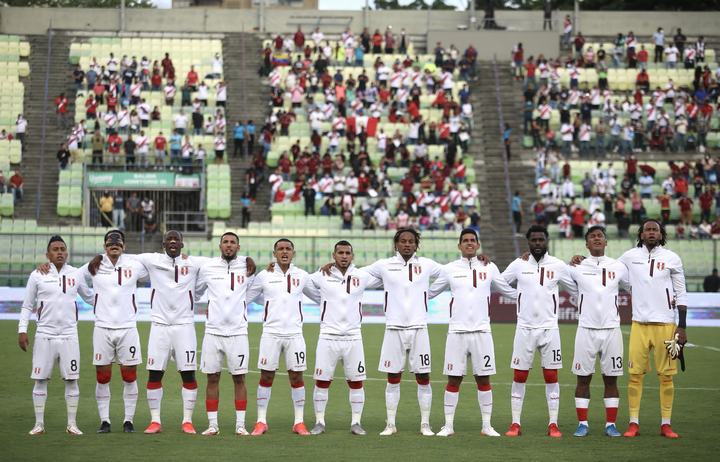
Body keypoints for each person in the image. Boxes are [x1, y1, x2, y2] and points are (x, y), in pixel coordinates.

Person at [428, 229, 517, 437]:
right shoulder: (449, 269)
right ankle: (448, 426)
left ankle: (486, 426)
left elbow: (508, 291)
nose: (469, 243)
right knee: (453, 379)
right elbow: (429, 293)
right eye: (465, 240)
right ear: (459, 246)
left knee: (483, 380)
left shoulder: (489, 267)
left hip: (482, 332)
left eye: (472, 240)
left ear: (477, 245)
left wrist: (534, 293)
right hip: (456, 332)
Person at [361, 228, 443, 436]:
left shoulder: (427, 265)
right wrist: (333, 268)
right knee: (392, 377)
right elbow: (357, 274)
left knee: (423, 376)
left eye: (411, 241)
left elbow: (451, 274)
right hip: (393, 329)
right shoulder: (384, 265)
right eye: (403, 241)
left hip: (419, 328)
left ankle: (425, 424)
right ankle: (390, 424)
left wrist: (429, 293)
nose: (407, 244)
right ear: (396, 244)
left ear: (416, 244)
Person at [501, 225, 576, 438]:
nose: (537, 243)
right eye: (533, 240)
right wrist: (518, 296)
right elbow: (498, 282)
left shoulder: (558, 265)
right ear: (528, 242)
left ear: (546, 241)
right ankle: (515, 423)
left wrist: (580, 263)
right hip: (524, 329)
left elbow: (576, 288)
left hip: (549, 329)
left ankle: (553, 424)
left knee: (551, 375)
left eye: (540, 239)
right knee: (519, 375)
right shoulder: (519, 264)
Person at [19, 236, 94, 435]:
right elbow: (27, 305)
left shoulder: (76, 274)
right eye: (55, 249)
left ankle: (72, 424)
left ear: (67, 252)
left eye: (62, 249)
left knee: (72, 380)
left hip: (70, 335)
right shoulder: (37, 275)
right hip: (44, 335)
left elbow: (90, 298)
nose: (59, 252)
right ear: (48, 254)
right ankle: (39, 424)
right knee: (40, 380)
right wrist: (22, 330)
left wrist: (114, 296)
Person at [305, 241, 381, 435]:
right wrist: (321, 300)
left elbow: (386, 277)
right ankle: (319, 422)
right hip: (327, 337)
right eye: (340, 253)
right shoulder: (322, 275)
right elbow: (303, 282)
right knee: (322, 381)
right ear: (334, 255)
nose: (344, 256)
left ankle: (356, 422)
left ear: (352, 256)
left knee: (356, 382)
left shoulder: (362, 275)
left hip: (353, 337)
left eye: (348, 253)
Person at [619, 219, 686, 438]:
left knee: (666, 377)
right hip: (639, 325)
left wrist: (682, 326)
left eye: (655, 230)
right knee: (635, 376)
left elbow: (681, 293)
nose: (651, 233)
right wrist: (582, 261)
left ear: (661, 234)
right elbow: (610, 270)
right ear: (641, 234)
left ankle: (666, 424)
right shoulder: (629, 256)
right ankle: (633, 423)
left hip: (666, 325)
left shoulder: (672, 258)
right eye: (647, 230)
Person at [81, 230, 149, 433]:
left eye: (118, 242)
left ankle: (128, 421)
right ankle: (105, 421)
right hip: (102, 328)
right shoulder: (95, 264)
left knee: (129, 376)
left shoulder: (134, 264)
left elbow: (158, 271)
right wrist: (93, 300)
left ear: (124, 246)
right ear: (104, 246)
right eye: (110, 243)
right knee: (102, 376)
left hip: (128, 328)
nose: (114, 245)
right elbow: (74, 278)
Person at [245, 239, 313, 436]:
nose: (284, 252)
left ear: (293, 252)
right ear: (274, 253)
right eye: (280, 249)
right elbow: (247, 296)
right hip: (271, 334)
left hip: (295, 335)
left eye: (288, 249)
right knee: (266, 376)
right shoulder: (264, 275)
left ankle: (299, 422)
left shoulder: (302, 275)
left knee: (297, 376)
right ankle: (261, 421)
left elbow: (320, 294)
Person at [567, 226, 629, 438]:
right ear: (586, 243)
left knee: (611, 379)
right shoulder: (576, 266)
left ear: (606, 242)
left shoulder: (618, 266)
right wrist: (527, 257)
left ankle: (610, 424)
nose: (596, 238)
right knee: (582, 379)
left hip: (612, 330)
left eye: (600, 236)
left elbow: (634, 287)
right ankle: (582, 424)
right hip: (586, 329)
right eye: (592, 236)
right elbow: (551, 270)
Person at [195, 232, 256, 436]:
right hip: (213, 332)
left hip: (238, 333)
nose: (229, 245)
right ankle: (213, 425)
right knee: (212, 378)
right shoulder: (208, 267)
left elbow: (254, 291)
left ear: (238, 247)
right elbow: (196, 291)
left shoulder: (247, 267)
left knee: (240, 379)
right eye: (225, 242)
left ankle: (240, 425)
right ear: (220, 246)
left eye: (232, 243)